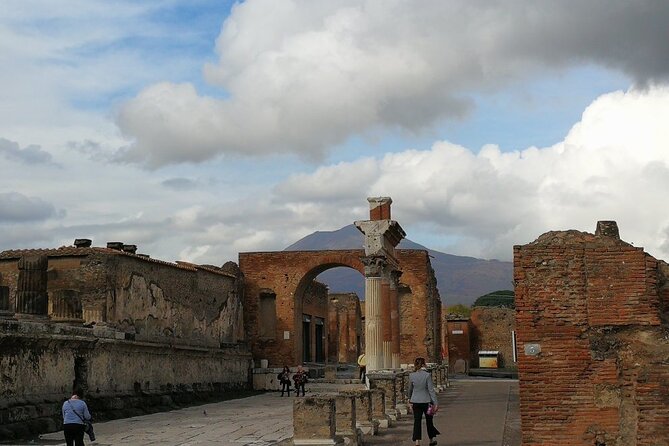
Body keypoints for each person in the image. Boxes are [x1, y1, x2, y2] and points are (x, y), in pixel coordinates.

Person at [408, 357, 440, 446]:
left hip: (415, 402)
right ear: (423, 364)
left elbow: (410, 390)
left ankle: (417, 441)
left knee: (417, 421)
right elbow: (431, 390)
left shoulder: (412, 375)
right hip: (427, 402)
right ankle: (431, 440)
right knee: (429, 421)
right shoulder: (427, 375)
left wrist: (409, 400)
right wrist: (436, 403)